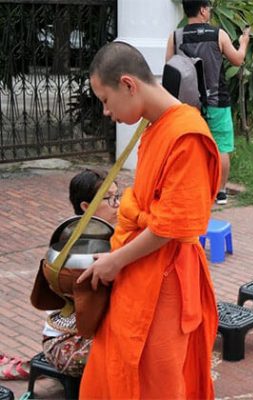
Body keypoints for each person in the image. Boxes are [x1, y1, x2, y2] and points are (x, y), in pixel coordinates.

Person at [78, 41, 221, 399]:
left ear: (128, 84)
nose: (107, 112)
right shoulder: (156, 126)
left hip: (167, 281)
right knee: (119, 364)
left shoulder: (186, 134)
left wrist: (115, 261)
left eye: (106, 101)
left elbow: (170, 226)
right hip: (138, 271)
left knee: (157, 379)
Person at [165, 0, 249, 206]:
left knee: (191, 144)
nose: (210, 12)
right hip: (217, 100)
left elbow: (169, 66)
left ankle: (192, 188)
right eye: (209, 8)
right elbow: (238, 60)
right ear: (202, 10)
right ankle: (220, 192)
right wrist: (244, 41)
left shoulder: (175, 36)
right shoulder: (218, 34)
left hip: (187, 103)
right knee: (221, 146)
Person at [41, 169, 119, 377]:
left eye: (117, 196)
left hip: (93, 330)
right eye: (109, 198)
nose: (117, 204)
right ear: (86, 206)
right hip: (66, 341)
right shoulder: (71, 246)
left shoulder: (111, 235)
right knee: (127, 350)